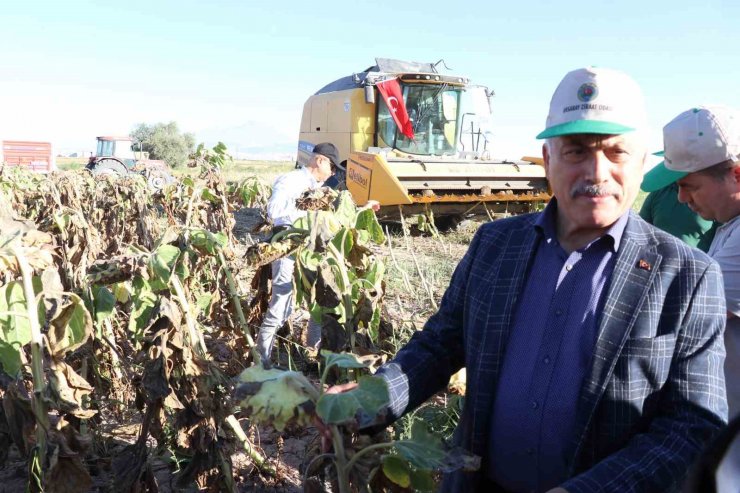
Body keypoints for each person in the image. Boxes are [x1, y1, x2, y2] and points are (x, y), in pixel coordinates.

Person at [347, 68, 728, 492]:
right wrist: (371, 399)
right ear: (547, 160)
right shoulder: (494, 245)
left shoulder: (687, 276)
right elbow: (441, 344)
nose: (597, 171)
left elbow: (693, 422)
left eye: (616, 152)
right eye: (576, 151)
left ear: (641, 163)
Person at [641, 105, 740, 419]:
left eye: (689, 186)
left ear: (736, 175)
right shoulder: (729, 226)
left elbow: (679, 315)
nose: (682, 198)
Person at [256, 142, 338, 363]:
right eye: (332, 167)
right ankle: (262, 361)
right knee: (282, 303)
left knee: (320, 299)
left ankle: (313, 353)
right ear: (320, 160)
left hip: (311, 250)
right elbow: (273, 211)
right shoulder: (291, 180)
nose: (333, 173)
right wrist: (304, 204)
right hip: (288, 244)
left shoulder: (320, 188)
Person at [639, 178, 717, 252]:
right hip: (659, 262)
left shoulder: (711, 194)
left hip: (699, 263)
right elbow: (640, 231)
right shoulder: (659, 192)